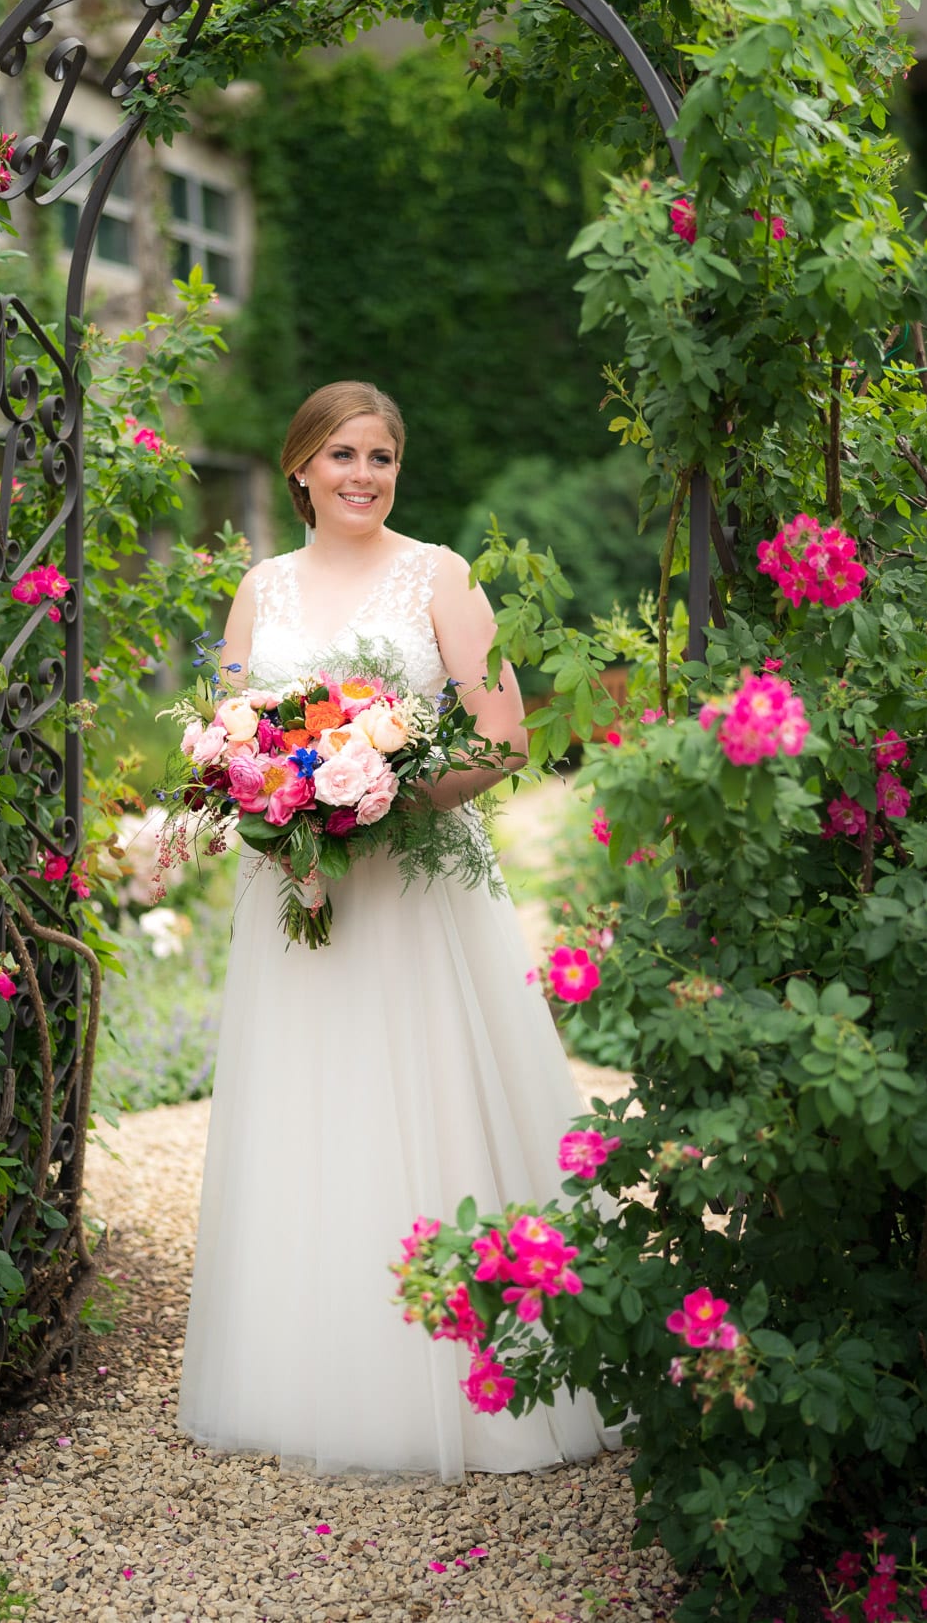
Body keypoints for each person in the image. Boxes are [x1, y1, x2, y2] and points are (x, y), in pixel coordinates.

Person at [176, 380, 617, 1480]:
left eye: (380, 458)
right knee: (306, 1100)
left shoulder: (441, 575)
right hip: (297, 887)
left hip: (418, 889)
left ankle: (472, 1367)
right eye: (342, 456)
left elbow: (503, 732)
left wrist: (378, 794)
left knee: (420, 1093)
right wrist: (269, 789)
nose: (362, 476)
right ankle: (308, 1364)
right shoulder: (259, 588)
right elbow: (223, 726)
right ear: (301, 468)